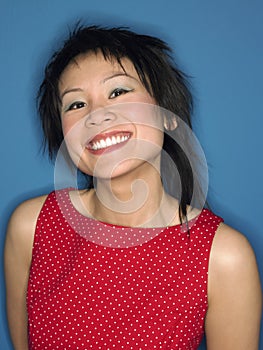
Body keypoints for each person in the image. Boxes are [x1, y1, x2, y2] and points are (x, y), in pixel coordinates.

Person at [4, 24, 262, 349]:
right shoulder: (31, 226)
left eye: (118, 92)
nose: (97, 115)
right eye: (75, 104)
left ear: (168, 116)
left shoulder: (223, 257)